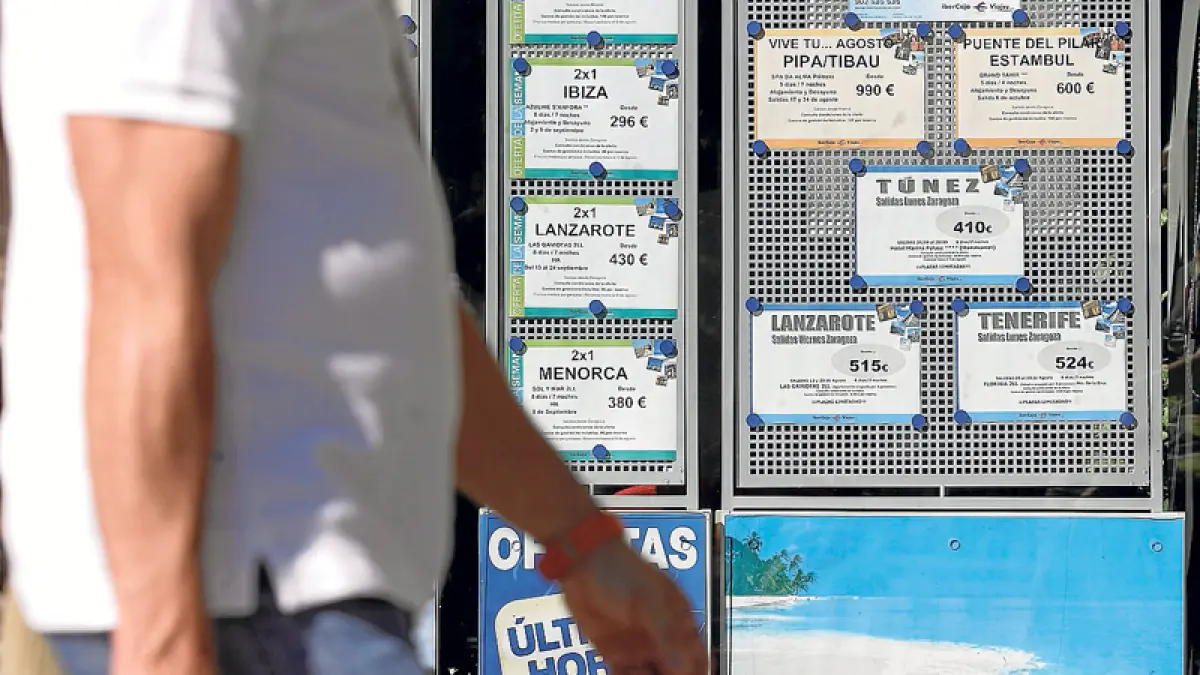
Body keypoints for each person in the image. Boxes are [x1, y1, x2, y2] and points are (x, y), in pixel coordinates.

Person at [0, 2, 709, 674]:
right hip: (250, 590)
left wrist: (580, 541)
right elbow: (139, 276)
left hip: (286, 586)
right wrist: (161, 641)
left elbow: (398, 317)